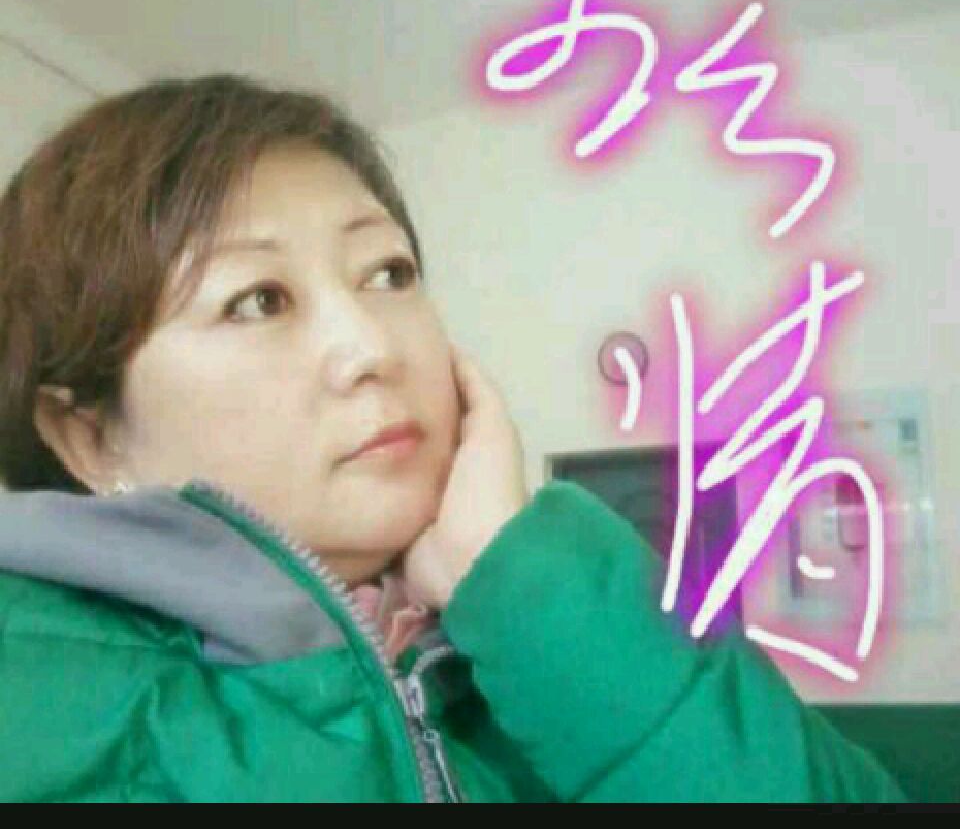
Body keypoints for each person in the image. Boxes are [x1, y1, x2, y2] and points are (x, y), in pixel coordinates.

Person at [0, 75, 905, 802]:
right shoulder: (34, 701)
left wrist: (523, 583)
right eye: (259, 300)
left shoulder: (524, 641)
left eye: (388, 273)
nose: (371, 346)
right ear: (89, 437)